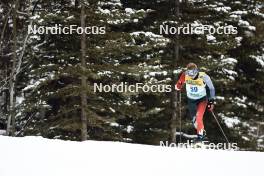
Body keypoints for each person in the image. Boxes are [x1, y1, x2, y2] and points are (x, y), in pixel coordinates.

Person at [175, 63, 215, 141]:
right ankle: (201, 132)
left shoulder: (203, 76)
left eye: (193, 72)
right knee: (195, 121)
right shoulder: (185, 75)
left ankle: (200, 137)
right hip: (191, 101)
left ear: (196, 71)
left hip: (202, 100)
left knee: (198, 117)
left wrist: (211, 101)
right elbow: (178, 85)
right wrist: (178, 86)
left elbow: (211, 88)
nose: (191, 74)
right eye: (189, 72)